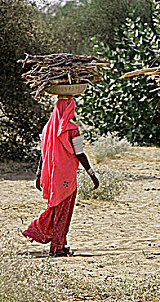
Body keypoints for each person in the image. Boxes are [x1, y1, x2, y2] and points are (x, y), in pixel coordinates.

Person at [23, 95, 99, 257]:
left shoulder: (47, 129)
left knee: (56, 208)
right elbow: (80, 153)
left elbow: (43, 154)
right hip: (67, 178)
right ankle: (55, 244)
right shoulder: (72, 129)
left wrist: (39, 175)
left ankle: (58, 242)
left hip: (51, 176)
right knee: (64, 211)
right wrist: (91, 174)